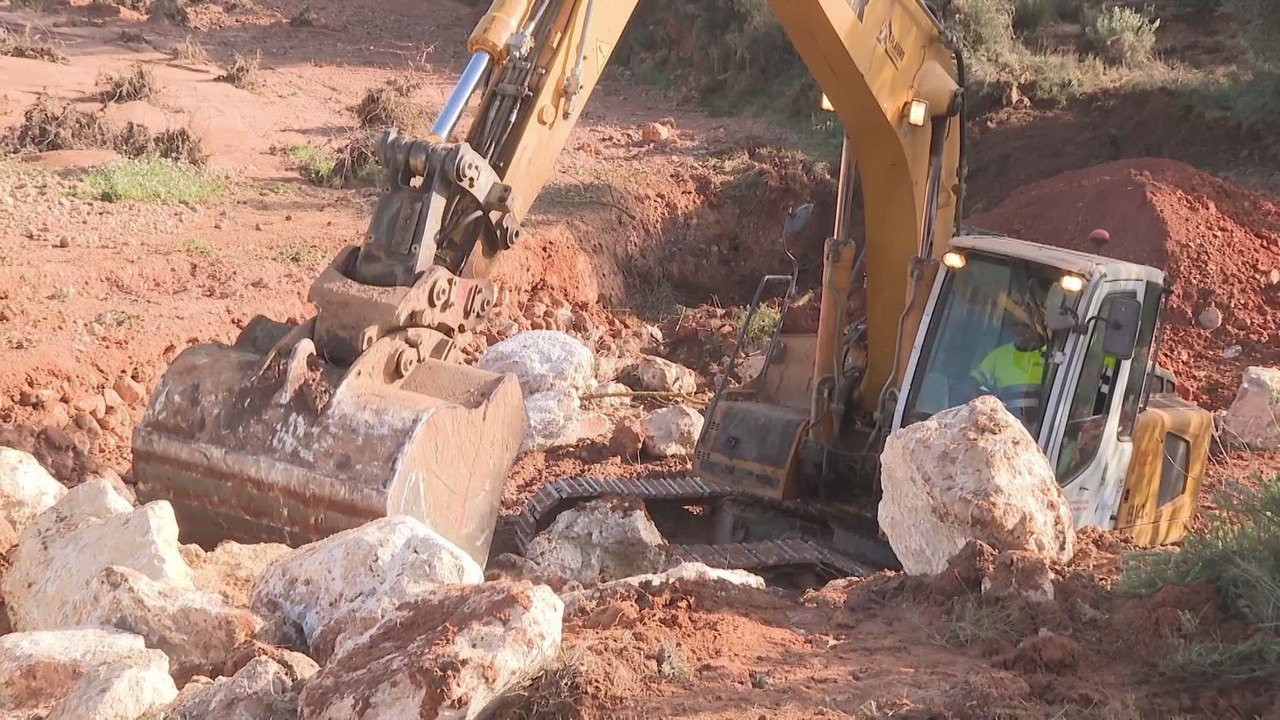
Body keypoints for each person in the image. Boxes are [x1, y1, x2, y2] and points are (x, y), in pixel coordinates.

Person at [959, 318, 1047, 425]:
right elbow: (973, 381)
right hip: (1006, 425)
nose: (1020, 330)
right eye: (1016, 325)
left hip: (1043, 425)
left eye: (1026, 326)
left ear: (1038, 329)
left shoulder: (1050, 356)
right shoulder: (1000, 355)